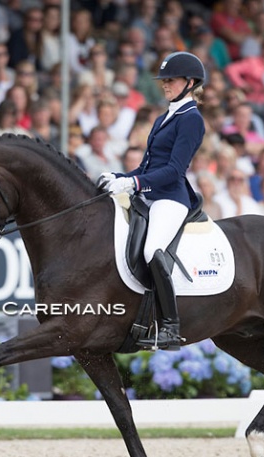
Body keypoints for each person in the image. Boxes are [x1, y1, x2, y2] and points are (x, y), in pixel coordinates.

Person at [100, 52, 205, 350]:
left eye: (170, 80)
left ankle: (171, 327)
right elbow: (148, 167)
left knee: (152, 250)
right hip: (149, 193)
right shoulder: (163, 117)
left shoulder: (191, 119)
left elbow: (173, 170)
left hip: (171, 197)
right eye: (164, 80)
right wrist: (119, 176)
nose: (165, 85)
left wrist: (133, 183)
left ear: (190, 82)